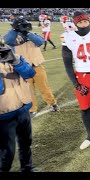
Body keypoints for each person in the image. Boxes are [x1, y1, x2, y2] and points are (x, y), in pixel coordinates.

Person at [60, 11, 90, 150]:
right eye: (80, 22)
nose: (83, 23)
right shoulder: (67, 37)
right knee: (84, 108)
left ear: (89, 21)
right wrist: (75, 83)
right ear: (75, 23)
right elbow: (67, 63)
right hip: (82, 77)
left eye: (85, 21)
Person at [4, 16, 59, 118]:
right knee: (29, 90)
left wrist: (27, 33)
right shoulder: (12, 37)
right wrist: (15, 29)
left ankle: (52, 103)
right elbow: (7, 40)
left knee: (44, 87)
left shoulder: (31, 35)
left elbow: (40, 41)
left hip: (37, 65)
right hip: (23, 67)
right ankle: (32, 108)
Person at [0, 41, 37, 172]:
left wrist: (15, 61)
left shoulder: (16, 57)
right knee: (7, 151)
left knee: (26, 143)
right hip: (4, 114)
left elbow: (30, 73)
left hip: (22, 109)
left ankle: (27, 168)